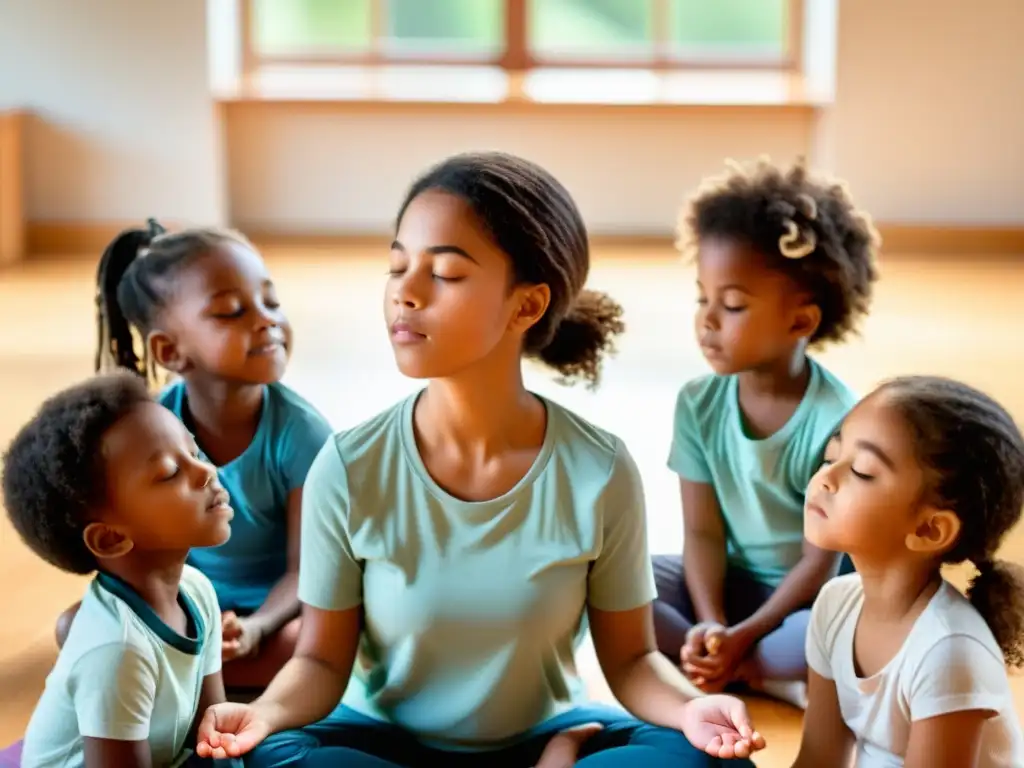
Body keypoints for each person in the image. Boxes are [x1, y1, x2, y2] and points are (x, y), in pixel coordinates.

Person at [194, 151, 766, 767]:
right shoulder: (350, 464)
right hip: (382, 743)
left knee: (700, 759)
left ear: (526, 306)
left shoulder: (598, 469)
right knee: (259, 758)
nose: (404, 294)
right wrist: (265, 715)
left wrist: (689, 710)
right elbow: (320, 661)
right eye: (397, 266)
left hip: (543, 733)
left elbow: (631, 660)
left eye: (443, 273)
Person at [54, 220, 333, 691]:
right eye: (230, 312)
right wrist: (161, 612)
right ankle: (189, 669)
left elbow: (305, 571)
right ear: (170, 350)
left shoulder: (302, 434)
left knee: (316, 642)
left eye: (271, 301)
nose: (265, 319)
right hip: (185, 604)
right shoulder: (150, 427)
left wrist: (257, 628)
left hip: (277, 612)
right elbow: (139, 547)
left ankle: (177, 675)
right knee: (72, 627)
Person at [653, 157, 880, 707]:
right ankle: (734, 665)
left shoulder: (836, 421)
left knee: (839, 631)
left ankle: (745, 665)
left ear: (801, 322)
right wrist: (711, 626)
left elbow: (817, 562)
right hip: (729, 584)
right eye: (702, 298)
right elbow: (702, 535)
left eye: (732, 305)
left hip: (805, 599)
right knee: (622, 586)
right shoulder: (698, 404)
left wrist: (746, 633)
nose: (707, 320)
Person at [2, 373, 232, 767]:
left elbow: (213, 735)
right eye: (170, 473)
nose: (205, 471)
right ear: (110, 539)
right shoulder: (119, 649)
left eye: (195, 452)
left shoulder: (196, 590)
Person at [793, 376, 1024, 767]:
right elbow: (820, 757)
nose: (826, 478)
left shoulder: (949, 652)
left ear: (929, 529)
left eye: (863, 471)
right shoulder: (836, 604)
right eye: (833, 457)